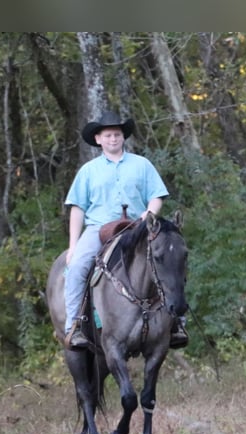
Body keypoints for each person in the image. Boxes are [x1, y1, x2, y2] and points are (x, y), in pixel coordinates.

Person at [63, 110, 189, 350]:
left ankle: (177, 322)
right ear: (99, 139)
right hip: (99, 228)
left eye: (117, 134)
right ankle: (75, 325)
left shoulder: (142, 165)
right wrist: (72, 246)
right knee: (78, 266)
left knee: (172, 259)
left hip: (138, 227)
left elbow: (157, 196)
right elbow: (77, 209)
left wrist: (149, 214)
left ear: (123, 137)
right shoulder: (88, 171)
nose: (113, 139)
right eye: (108, 135)